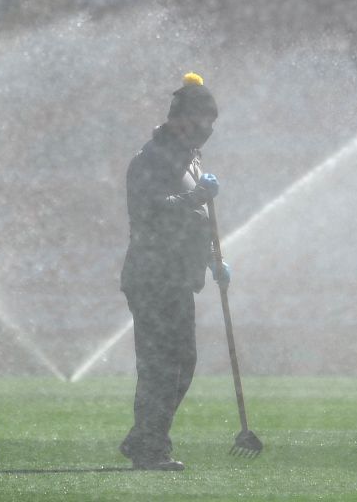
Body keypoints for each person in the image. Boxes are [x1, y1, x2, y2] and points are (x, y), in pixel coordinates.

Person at [117, 72, 231, 471]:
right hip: (152, 278)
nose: (207, 130)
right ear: (182, 119)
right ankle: (150, 449)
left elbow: (196, 220)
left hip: (178, 278)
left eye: (212, 124)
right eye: (203, 122)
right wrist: (194, 196)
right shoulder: (152, 157)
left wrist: (213, 260)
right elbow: (149, 209)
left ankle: (142, 439)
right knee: (161, 366)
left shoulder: (190, 158)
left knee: (183, 363)